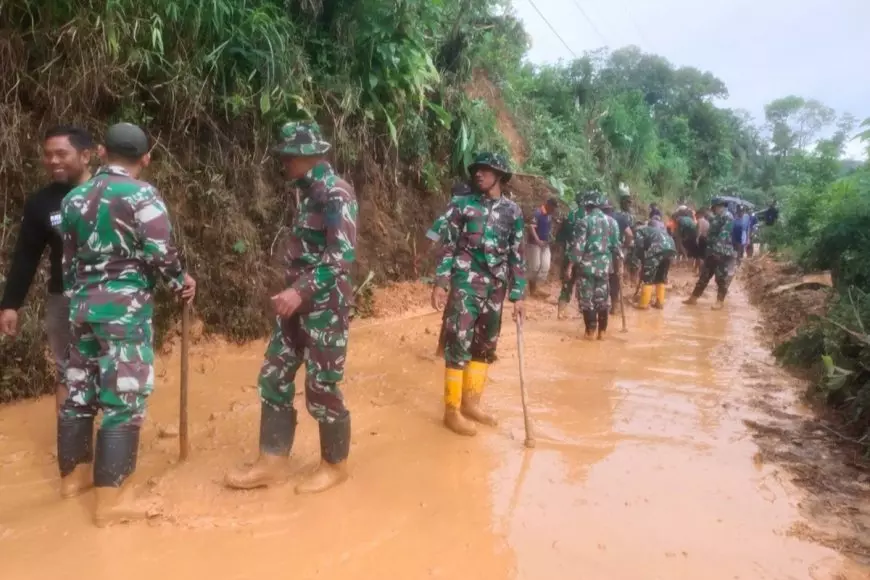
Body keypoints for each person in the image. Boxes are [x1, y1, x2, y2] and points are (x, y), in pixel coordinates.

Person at [59, 122, 196, 526]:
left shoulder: (74, 198)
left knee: (79, 394)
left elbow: (67, 261)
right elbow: (160, 251)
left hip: (82, 307)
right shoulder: (142, 195)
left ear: (101, 152)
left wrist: (77, 298)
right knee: (124, 397)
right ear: (146, 158)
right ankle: (111, 503)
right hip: (124, 310)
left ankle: (73, 480)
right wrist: (180, 282)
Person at [226, 121, 357, 494]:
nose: (283, 162)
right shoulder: (308, 193)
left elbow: (341, 256)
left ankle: (335, 466)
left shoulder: (336, 194)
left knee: (322, 385)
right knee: (274, 375)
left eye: (287, 156)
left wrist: (299, 291)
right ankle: (272, 461)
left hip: (325, 309)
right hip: (296, 307)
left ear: (307, 155)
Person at [431, 152, 526, 437]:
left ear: (500, 176)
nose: (478, 174)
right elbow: (447, 246)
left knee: (485, 345)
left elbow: (517, 255)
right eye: (477, 170)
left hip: (496, 287)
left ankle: (471, 403)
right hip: (465, 283)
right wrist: (440, 281)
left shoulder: (513, 212)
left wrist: (519, 295)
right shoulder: (462, 206)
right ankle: (452, 412)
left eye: (486, 170)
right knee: (457, 343)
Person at [1, 126, 94, 411]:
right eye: (48, 155)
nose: (52, 161)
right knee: (66, 368)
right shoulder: (41, 203)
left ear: (86, 155)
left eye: (61, 153)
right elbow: (26, 255)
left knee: (111, 368)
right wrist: (10, 305)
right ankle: (71, 445)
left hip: (111, 299)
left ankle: (113, 442)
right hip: (62, 298)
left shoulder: (111, 193)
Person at [428, 182, 473, 358]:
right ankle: (452, 351)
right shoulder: (467, 212)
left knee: (453, 310)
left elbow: (431, 238)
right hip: (464, 269)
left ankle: (441, 350)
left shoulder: (444, 216)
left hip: (448, 267)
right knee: (459, 310)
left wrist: (426, 256)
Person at [569, 190, 620, 340]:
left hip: (587, 268)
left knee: (587, 300)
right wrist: (620, 265)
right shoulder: (612, 222)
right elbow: (616, 247)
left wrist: (570, 265)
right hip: (605, 267)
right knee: (602, 299)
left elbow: (578, 247)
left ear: (588, 206)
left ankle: (590, 331)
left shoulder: (584, 221)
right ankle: (602, 332)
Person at [684, 196, 736, 310]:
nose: (713, 209)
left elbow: (724, 234)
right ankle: (693, 298)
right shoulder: (717, 217)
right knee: (704, 275)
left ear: (719, 206)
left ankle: (719, 301)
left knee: (720, 277)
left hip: (721, 252)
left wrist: (717, 250)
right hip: (711, 251)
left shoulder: (728, 217)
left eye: (714, 207)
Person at [633, 215, 676, 310]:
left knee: (647, 277)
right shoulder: (661, 231)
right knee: (661, 277)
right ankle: (659, 303)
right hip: (671, 249)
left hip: (657, 249)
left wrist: (642, 259)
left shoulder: (639, 231)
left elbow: (639, 246)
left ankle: (643, 305)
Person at [556, 190, 585, 319]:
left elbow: (561, 237)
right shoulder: (589, 218)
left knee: (567, 285)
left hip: (569, 255)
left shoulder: (570, 216)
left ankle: (560, 312)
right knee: (584, 286)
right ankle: (583, 313)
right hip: (585, 257)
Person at [526, 197, 559, 298]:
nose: (554, 209)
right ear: (548, 205)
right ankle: (530, 288)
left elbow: (548, 228)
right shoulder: (538, 213)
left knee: (545, 266)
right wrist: (537, 240)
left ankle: (538, 287)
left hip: (545, 243)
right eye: (553, 207)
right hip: (534, 243)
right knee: (535, 266)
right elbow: (531, 227)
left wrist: (550, 238)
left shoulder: (549, 215)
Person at [601, 199, 624, 315]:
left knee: (601, 282)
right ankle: (614, 306)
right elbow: (615, 243)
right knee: (614, 280)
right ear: (611, 210)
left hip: (597, 258)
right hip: (611, 256)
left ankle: (600, 307)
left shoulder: (593, 220)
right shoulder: (613, 222)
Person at [613, 191, 637, 285]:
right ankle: (624, 282)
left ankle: (628, 281)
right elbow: (632, 229)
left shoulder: (623, 214)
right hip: (624, 241)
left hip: (626, 241)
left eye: (629, 202)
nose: (629, 204)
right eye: (627, 202)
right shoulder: (623, 215)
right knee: (624, 262)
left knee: (628, 262)